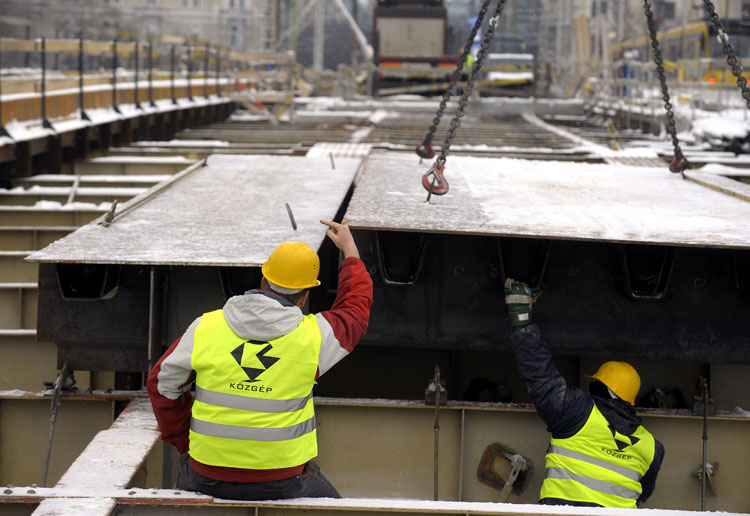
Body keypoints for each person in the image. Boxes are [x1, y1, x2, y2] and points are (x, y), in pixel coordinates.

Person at [147, 219, 373, 500]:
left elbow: (161, 385)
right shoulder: (315, 338)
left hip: (206, 476)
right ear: (304, 297)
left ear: (263, 281)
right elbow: (355, 311)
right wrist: (350, 251)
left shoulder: (205, 328)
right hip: (283, 479)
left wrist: (184, 440)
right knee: (332, 506)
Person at [503, 278, 664, 508]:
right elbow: (642, 495)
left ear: (600, 388)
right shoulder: (652, 448)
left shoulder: (576, 413)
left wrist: (521, 318)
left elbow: (540, 375)